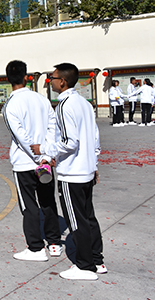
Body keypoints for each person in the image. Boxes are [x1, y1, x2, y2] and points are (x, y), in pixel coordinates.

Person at [32, 63, 105, 281]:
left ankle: (84, 266)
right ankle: (97, 260)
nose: (50, 82)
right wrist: (94, 164)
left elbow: (69, 142)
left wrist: (44, 150)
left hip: (72, 174)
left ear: (62, 81)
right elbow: (95, 138)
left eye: (52, 78)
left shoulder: (64, 105)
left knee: (76, 221)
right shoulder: (84, 103)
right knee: (88, 217)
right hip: (86, 170)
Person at [2, 60, 62, 263]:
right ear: (27, 77)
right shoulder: (42, 99)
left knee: (29, 206)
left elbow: (20, 137)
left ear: (8, 79)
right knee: (48, 201)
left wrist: (37, 157)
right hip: (44, 162)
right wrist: (46, 156)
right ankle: (54, 243)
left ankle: (36, 247)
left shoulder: (10, 105)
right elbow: (53, 127)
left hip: (24, 164)